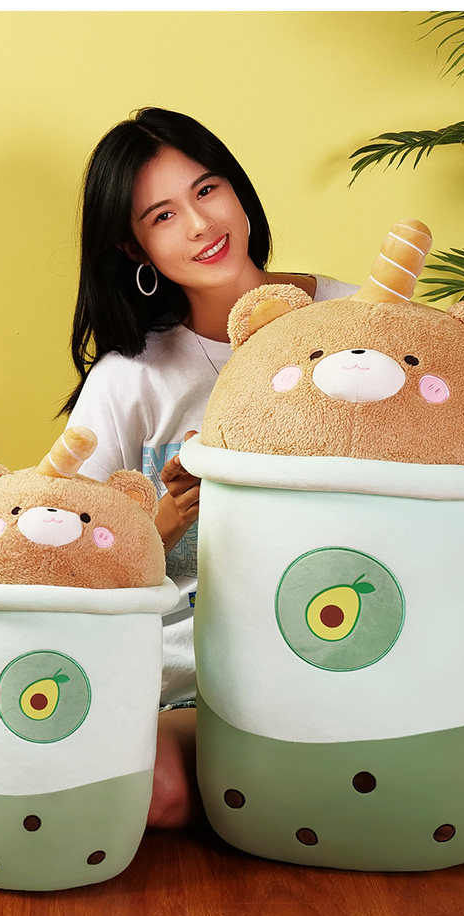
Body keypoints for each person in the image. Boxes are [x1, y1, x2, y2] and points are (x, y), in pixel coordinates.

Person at [60, 107, 360, 828]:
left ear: (236, 189)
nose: (200, 225)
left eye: (207, 190)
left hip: (339, 653)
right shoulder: (130, 379)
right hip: (186, 680)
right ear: (134, 247)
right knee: (160, 794)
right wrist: (166, 519)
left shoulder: (353, 321)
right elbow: (73, 556)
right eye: (163, 216)